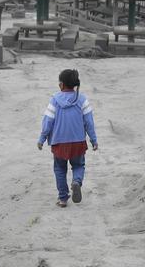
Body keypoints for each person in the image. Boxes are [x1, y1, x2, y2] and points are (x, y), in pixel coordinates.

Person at [37, 69, 98, 208]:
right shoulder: (82, 99)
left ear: (61, 85)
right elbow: (89, 122)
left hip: (59, 142)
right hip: (78, 141)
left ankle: (63, 198)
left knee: (59, 168)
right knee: (78, 165)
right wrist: (93, 140)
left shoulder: (55, 100)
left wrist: (42, 139)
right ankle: (76, 181)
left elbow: (48, 121)